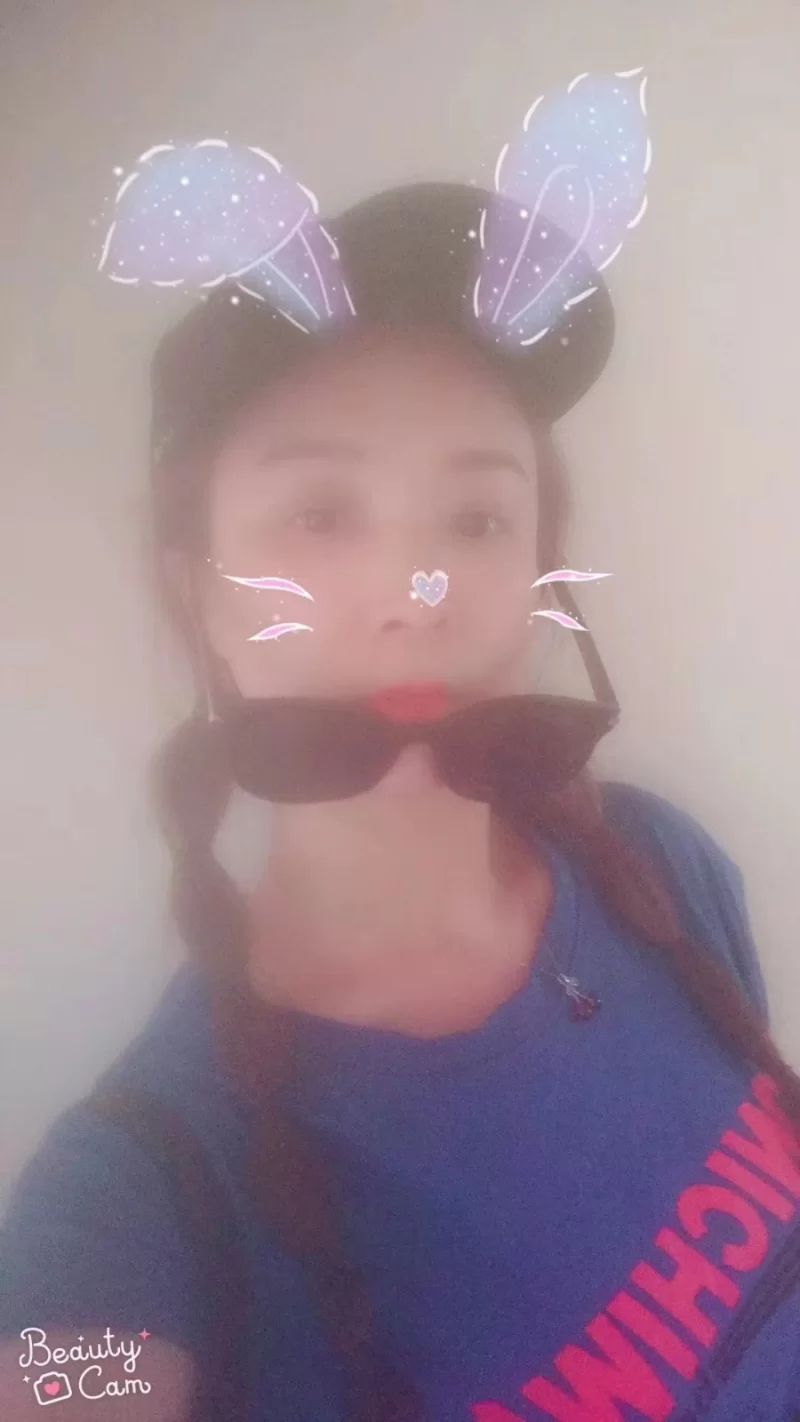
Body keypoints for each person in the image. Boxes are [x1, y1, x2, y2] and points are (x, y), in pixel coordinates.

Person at [2, 174, 800, 1422]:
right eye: (320, 513)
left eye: (476, 516)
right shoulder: (133, 1197)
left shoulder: (660, 866)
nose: (416, 590)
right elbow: (59, 1376)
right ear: (201, 596)